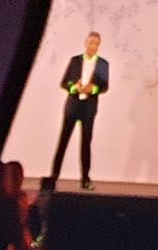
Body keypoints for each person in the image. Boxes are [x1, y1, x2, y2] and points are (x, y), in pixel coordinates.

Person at [48, 31, 109, 191]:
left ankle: (85, 180)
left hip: (88, 108)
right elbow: (64, 82)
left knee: (86, 143)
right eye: (91, 42)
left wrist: (93, 89)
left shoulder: (102, 64)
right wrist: (74, 87)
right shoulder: (75, 61)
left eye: (96, 43)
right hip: (73, 106)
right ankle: (53, 177)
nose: (93, 46)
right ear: (85, 43)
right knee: (63, 141)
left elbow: (104, 86)